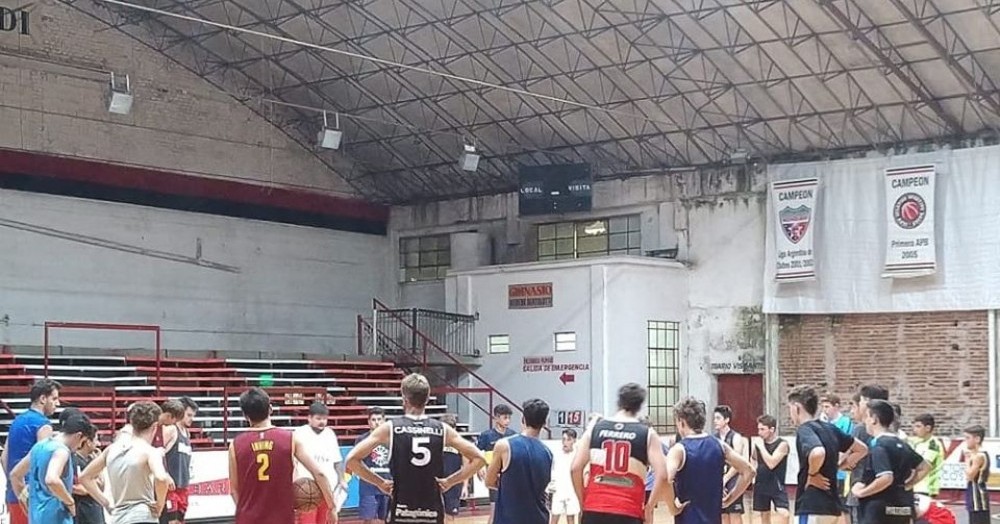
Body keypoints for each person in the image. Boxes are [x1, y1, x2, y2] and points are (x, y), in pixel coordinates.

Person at [346, 373, 486, 524]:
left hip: (401, 505)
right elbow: (479, 459)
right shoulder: (442, 429)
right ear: (427, 399)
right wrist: (450, 481)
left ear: (404, 399)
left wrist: (379, 482)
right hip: (431, 507)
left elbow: (352, 460)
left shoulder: (391, 428)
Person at [227, 388, 337, 524]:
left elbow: (233, 490)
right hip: (282, 519)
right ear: (270, 409)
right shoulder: (290, 439)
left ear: (245, 415)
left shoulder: (235, 445)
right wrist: (332, 506)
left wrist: (245, 512)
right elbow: (319, 473)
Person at [570, 383, 668, 524]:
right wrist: (649, 507)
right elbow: (663, 475)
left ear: (619, 402)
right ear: (639, 406)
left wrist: (582, 501)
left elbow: (575, 468)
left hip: (595, 508)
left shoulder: (595, 428)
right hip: (628, 510)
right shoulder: (647, 434)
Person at [80, 401, 175, 524]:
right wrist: (160, 505)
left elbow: (84, 477)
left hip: (118, 518)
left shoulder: (111, 449)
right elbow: (162, 478)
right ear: (155, 426)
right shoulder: (150, 451)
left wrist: (106, 503)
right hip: (142, 516)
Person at [666, 397, 755, 524]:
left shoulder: (679, 449)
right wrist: (731, 498)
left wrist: (673, 508)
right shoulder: (719, 445)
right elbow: (749, 471)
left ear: (681, 422)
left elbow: (665, 478)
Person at [788, 386, 867, 524]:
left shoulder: (805, 429)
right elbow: (862, 449)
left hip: (811, 506)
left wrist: (812, 475)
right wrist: (839, 467)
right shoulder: (830, 428)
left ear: (796, 408)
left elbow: (818, 452)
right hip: (832, 508)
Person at [850, 399, 928, 524]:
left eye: (866, 417)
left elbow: (886, 478)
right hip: (902, 504)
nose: (864, 422)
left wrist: (862, 492)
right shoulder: (902, 443)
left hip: (880, 506)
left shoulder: (878, 445)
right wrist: (907, 485)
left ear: (874, 419)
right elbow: (924, 467)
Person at [9, 415, 96, 524]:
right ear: (78, 436)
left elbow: (15, 475)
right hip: (57, 517)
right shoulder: (62, 451)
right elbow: (51, 479)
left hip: (36, 518)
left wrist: (25, 501)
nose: (79, 447)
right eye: (82, 442)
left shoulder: (38, 446)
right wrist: (70, 502)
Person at [2, 378, 62, 524]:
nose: (58, 403)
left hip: (13, 494)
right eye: (54, 398)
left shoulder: (17, 421)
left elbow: (4, 458)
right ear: (43, 399)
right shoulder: (43, 424)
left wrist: (15, 483)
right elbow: (44, 461)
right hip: (34, 496)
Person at [486, 399, 553, 524]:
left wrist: (508, 486)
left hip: (510, 518)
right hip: (539, 518)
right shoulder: (548, 453)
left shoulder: (504, 445)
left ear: (523, 419)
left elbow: (489, 481)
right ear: (544, 423)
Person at [293, 402, 347, 524]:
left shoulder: (330, 434)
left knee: (325, 520)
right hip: (308, 485)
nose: (322, 421)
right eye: (318, 418)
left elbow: (337, 460)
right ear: (309, 418)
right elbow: (292, 460)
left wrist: (342, 479)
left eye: (324, 418)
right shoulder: (299, 433)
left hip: (328, 487)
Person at [845, 385, 888, 524]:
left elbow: (846, 458)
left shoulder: (860, 429)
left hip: (861, 489)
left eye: (862, 400)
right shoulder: (892, 431)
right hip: (886, 494)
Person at [476, 404, 516, 524]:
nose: (507, 421)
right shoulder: (486, 435)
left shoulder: (512, 435)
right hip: (494, 476)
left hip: (509, 476)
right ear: (496, 418)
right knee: (494, 511)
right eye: (505, 417)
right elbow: (477, 453)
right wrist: (480, 467)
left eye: (509, 418)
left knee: (510, 510)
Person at [161, 397, 197, 524]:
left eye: (193, 416)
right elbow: (156, 453)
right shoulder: (171, 430)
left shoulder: (187, 433)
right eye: (189, 415)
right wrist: (164, 475)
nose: (191, 419)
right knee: (171, 521)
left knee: (180, 521)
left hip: (183, 486)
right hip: (170, 487)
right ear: (180, 412)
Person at [750, 414, 789, 524]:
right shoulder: (758, 445)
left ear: (772, 429)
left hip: (776, 484)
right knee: (764, 514)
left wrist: (761, 446)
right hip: (761, 483)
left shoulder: (782, 444)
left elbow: (771, 463)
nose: (759, 433)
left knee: (784, 513)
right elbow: (753, 458)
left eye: (762, 429)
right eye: (758, 429)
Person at [355, 407, 390, 524]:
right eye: (373, 419)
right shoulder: (361, 440)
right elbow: (356, 461)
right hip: (368, 486)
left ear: (384, 421)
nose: (377, 422)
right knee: (368, 519)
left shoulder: (392, 439)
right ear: (368, 422)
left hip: (387, 485)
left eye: (379, 419)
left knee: (384, 519)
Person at [713, 405, 748, 524]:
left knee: (734, 515)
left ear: (727, 420)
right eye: (714, 418)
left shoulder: (736, 438)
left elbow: (738, 463)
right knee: (722, 516)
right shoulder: (713, 439)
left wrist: (726, 478)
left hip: (733, 481)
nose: (715, 421)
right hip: (718, 481)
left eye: (718, 418)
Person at [72, 425, 106, 524]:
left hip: (95, 508)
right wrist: (91, 487)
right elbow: (78, 488)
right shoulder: (74, 461)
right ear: (88, 442)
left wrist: (98, 462)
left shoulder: (92, 460)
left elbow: (102, 486)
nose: (98, 444)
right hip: (83, 511)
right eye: (96, 439)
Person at [441, 414, 469, 523]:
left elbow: (466, 467)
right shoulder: (435, 442)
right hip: (437, 482)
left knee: (450, 515)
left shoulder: (461, 444)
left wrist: (465, 486)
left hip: (454, 483)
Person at [548, 429, 580, 524]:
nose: (565, 442)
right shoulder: (556, 454)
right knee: (554, 517)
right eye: (563, 439)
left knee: (571, 518)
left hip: (572, 491)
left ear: (574, 440)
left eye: (568, 439)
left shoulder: (577, 455)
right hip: (559, 490)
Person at [909, 414, 943, 499]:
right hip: (916, 487)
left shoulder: (933, 444)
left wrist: (909, 484)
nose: (914, 430)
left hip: (926, 488)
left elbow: (925, 466)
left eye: (918, 426)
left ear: (928, 428)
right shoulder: (918, 442)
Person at [962, 425, 990, 524]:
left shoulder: (978, 456)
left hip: (977, 496)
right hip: (974, 493)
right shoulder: (977, 454)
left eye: (968, 438)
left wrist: (967, 460)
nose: (966, 441)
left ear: (977, 439)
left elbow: (970, 476)